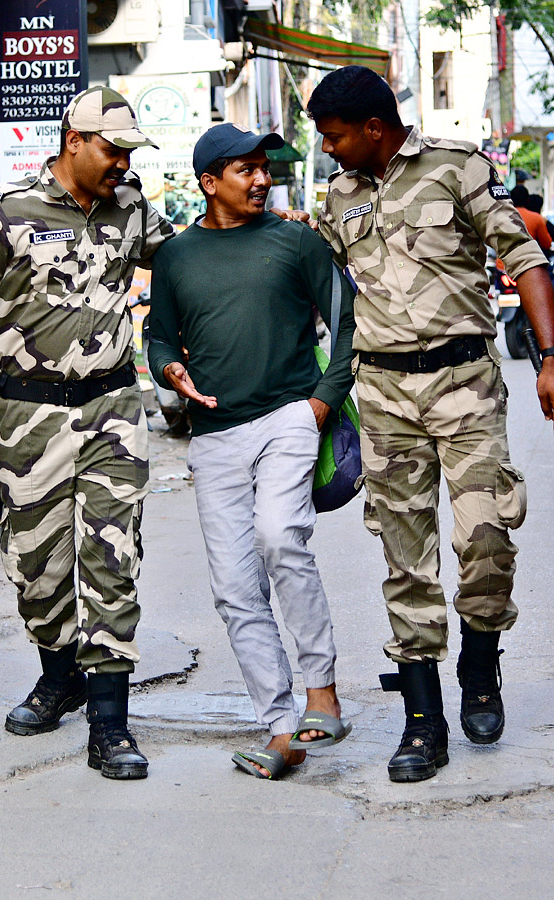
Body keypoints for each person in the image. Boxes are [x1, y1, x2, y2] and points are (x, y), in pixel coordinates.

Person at [0, 86, 177, 780]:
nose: (123, 164)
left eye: (129, 153)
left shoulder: (132, 209)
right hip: (26, 416)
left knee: (111, 560)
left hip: (112, 409)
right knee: (37, 569)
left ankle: (110, 721)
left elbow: (186, 268)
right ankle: (58, 674)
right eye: (113, 150)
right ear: (74, 141)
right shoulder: (4, 213)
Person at [309, 65, 554, 783]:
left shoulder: (456, 168)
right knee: (404, 556)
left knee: (485, 533)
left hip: (465, 382)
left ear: (375, 129)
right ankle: (424, 719)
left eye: (335, 136)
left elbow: (525, 255)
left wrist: (549, 355)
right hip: (383, 391)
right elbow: (315, 282)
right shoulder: (338, 198)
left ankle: (479, 665)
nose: (328, 150)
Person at [146, 123, 357, 780]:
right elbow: (159, 337)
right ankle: (281, 727)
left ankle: (321, 690)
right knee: (236, 588)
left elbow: (346, 318)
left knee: (279, 536)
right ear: (209, 183)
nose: (262, 179)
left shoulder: (295, 242)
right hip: (213, 438)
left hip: (289, 417)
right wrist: (169, 371)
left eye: (264, 168)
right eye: (246, 170)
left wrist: (321, 401)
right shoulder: (176, 257)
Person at [511, 185, 551, 253]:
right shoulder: (537, 218)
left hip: (503, 262)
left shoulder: (501, 216)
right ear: (527, 200)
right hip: (527, 261)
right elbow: (546, 244)